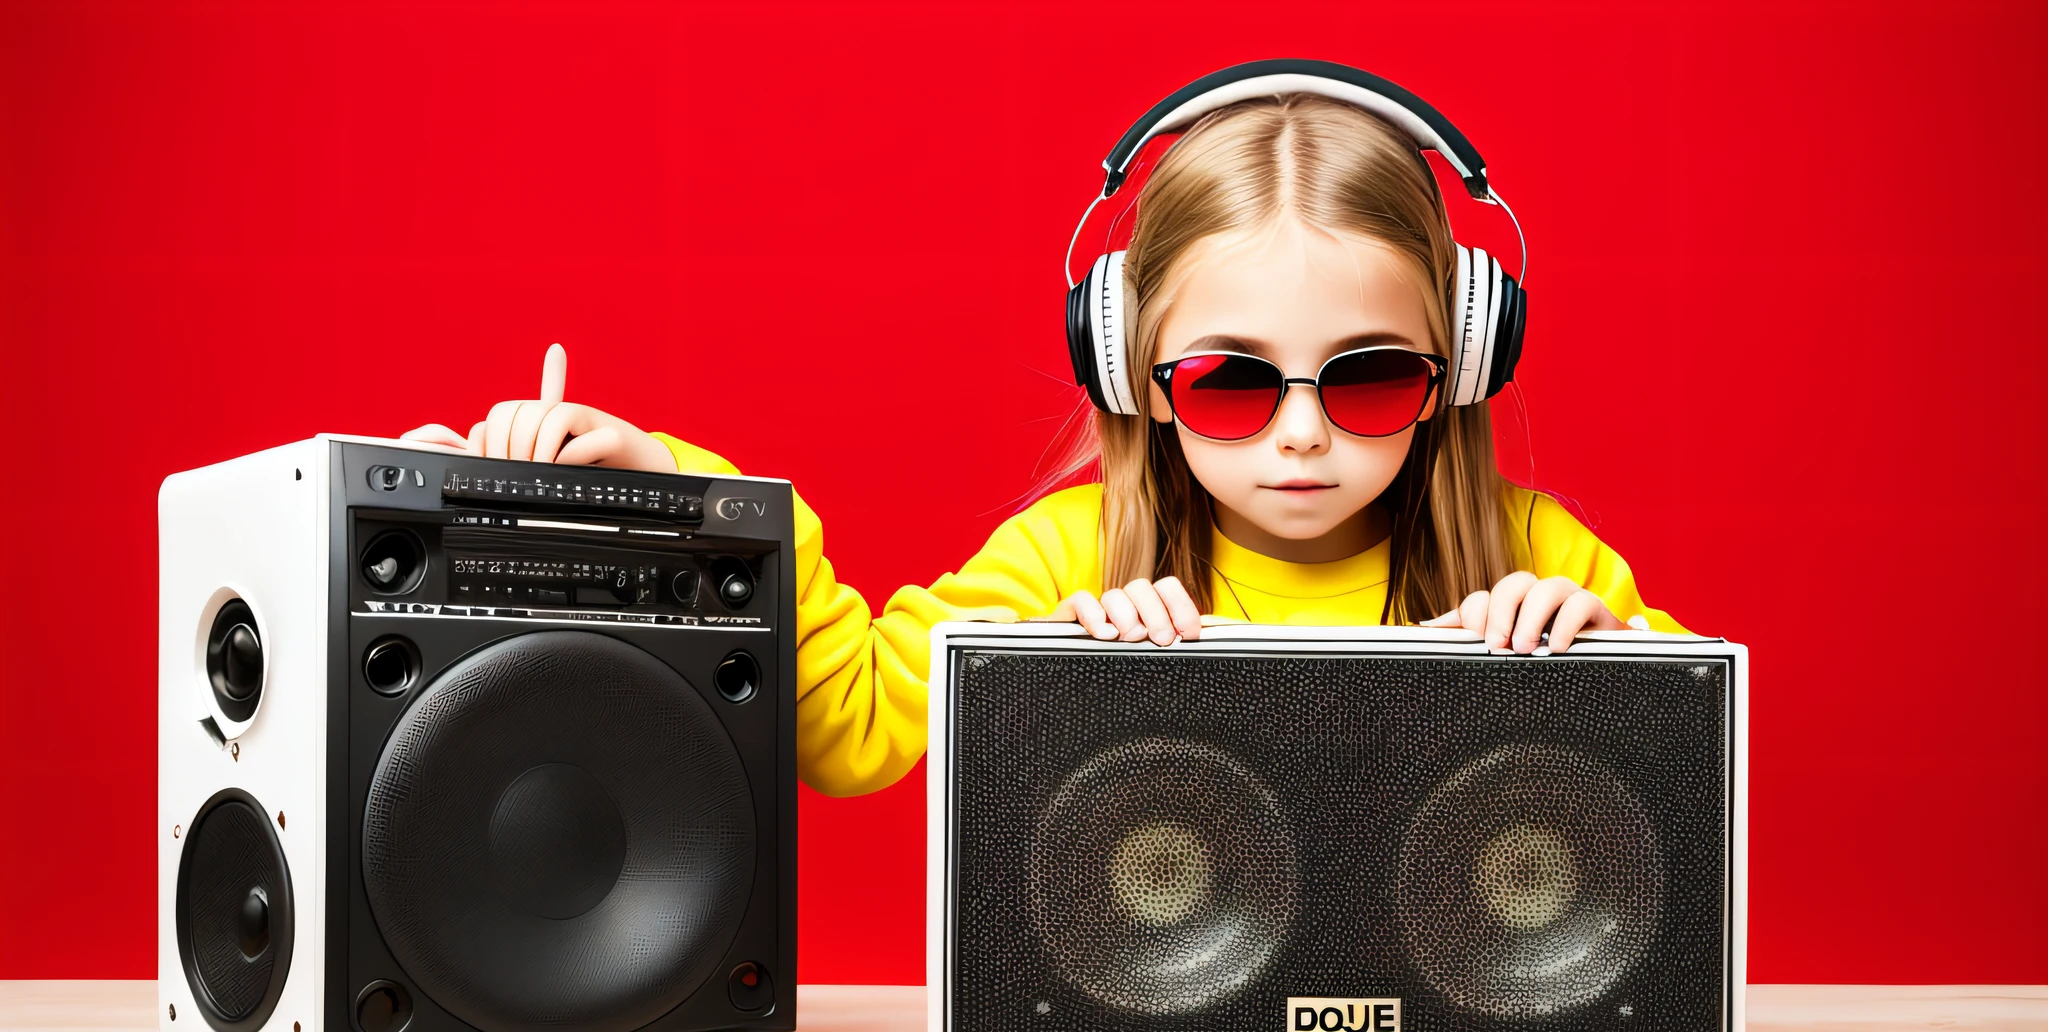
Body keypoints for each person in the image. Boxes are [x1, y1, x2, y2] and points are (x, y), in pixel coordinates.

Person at [404, 82, 1684, 799]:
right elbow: (847, 728)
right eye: (1232, 386)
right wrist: (684, 500)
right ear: (1131, 370)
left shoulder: (1527, 559)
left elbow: (1684, 790)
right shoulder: (1067, 557)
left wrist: (1599, 664)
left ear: (1456, 362)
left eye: (1367, 383)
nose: (1300, 436)